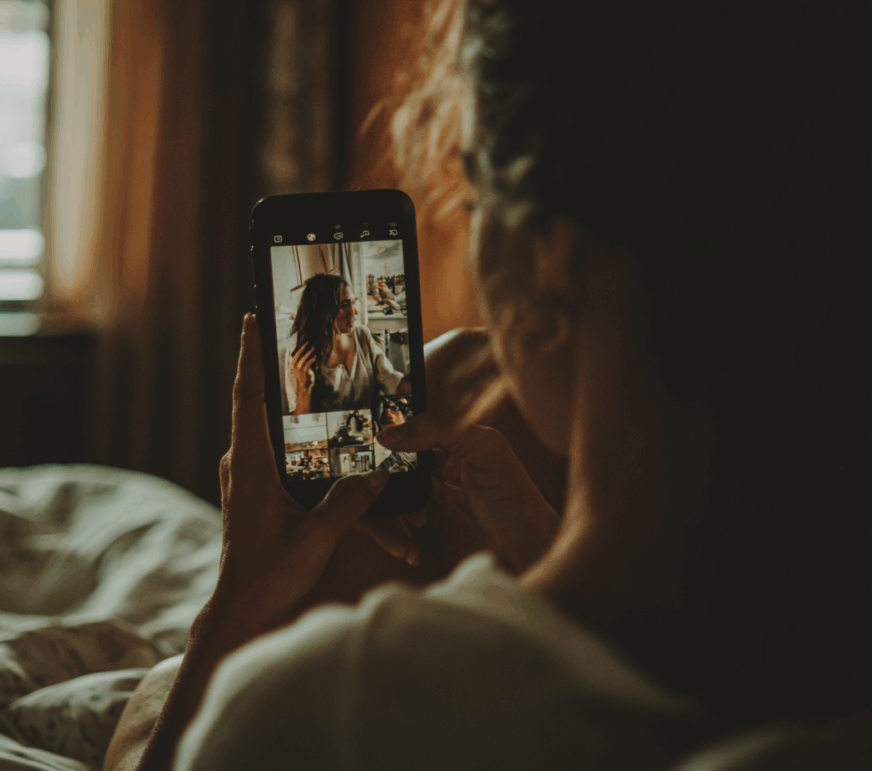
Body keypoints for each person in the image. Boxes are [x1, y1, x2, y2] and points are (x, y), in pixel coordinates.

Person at [103, 2, 869, 770]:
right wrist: (539, 550)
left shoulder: (332, 710)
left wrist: (228, 618)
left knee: (157, 686)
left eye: (473, 202)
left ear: (550, 257)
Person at [286, 273, 410, 414]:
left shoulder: (361, 334)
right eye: (344, 305)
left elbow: (390, 379)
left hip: (371, 428)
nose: (354, 312)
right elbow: (300, 424)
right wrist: (304, 388)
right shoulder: (298, 356)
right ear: (322, 309)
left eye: (353, 302)